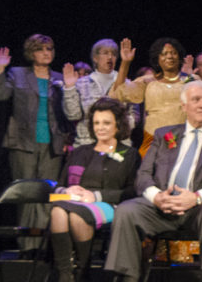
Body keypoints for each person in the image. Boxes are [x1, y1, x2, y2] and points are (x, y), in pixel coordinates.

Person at [104, 81, 202, 282]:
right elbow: (143, 175)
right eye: (196, 100)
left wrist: (195, 197)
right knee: (127, 210)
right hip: (163, 207)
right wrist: (157, 197)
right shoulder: (165, 134)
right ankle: (128, 277)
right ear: (184, 106)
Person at [0, 34, 71, 252]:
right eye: (41, 49)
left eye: (50, 49)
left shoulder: (58, 77)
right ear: (31, 52)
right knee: (27, 194)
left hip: (52, 144)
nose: (47, 53)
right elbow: (0, 95)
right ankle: (27, 247)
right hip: (24, 143)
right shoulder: (18, 74)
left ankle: (45, 246)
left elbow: (67, 111)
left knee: (48, 193)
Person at [50, 98, 140, 282]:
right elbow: (59, 185)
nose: (101, 127)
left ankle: (83, 270)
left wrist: (95, 195)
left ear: (118, 126)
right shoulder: (81, 151)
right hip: (73, 202)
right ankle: (65, 274)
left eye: (107, 123)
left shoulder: (129, 154)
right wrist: (67, 189)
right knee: (58, 211)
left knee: (76, 215)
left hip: (109, 204)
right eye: (97, 123)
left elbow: (132, 192)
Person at [110, 37, 194, 158]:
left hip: (183, 141)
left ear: (180, 57)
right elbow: (117, 94)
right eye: (164, 54)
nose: (169, 56)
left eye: (173, 53)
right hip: (153, 142)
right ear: (157, 59)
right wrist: (125, 63)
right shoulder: (148, 81)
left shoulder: (190, 81)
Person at [62, 38, 139, 147]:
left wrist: (119, 129)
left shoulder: (127, 84)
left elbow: (134, 115)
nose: (110, 57)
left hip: (118, 144)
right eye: (105, 53)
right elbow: (73, 115)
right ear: (95, 58)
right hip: (87, 144)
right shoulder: (82, 83)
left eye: (113, 54)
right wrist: (69, 88)